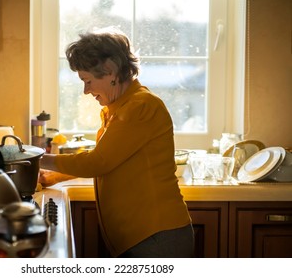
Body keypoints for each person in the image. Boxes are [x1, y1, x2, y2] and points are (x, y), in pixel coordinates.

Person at [39, 27, 194, 258]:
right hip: (143, 236)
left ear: (110, 71)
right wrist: (52, 176)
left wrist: (37, 158)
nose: (85, 90)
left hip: (157, 237)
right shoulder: (119, 108)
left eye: (88, 80)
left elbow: (98, 162)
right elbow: (111, 160)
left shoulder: (140, 106)